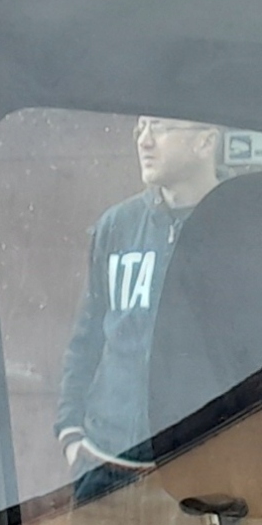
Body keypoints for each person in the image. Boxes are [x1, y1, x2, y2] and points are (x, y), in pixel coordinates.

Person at [54, 114, 224, 474]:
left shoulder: (243, 229)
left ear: (205, 141)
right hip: (106, 461)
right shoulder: (117, 226)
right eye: (140, 127)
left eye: (159, 127)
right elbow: (86, 338)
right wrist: (70, 432)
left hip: (202, 468)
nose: (144, 141)